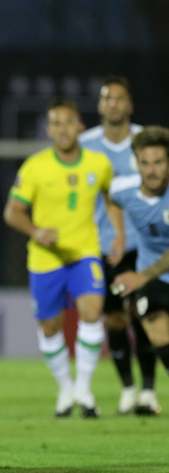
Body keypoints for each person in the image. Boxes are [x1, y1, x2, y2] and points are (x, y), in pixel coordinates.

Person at [4, 98, 123, 418]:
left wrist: (119, 235)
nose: (63, 128)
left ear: (80, 127)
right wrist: (36, 231)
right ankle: (66, 389)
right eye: (56, 123)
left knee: (92, 311)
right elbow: (12, 213)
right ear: (49, 130)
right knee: (50, 329)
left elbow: (112, 200)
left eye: (69, 121)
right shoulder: (35, 167)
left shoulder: (98, 165)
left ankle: (84, 389)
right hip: (46, 259)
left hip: (85, 254)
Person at [79, 76, 157, 415]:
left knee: (146, 316)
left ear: (129, 105)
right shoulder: (85, 144)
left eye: (120, 98)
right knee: (113, 318)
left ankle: (149, 392)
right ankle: (128, 389)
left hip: (145, 245)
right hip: (100, 246)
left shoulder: (147, 142)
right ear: (100, 105)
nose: (113, 104)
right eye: (107, 98)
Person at [110, 126, 169, 402]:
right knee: (158, 334)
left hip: (149, 272)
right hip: (155, 276)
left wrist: (141, 277)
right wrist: (119, 235)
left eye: (159, 162)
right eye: (145, 163)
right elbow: (109, 197)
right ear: (136, 163)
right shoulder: (123, 189)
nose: (152, 170)